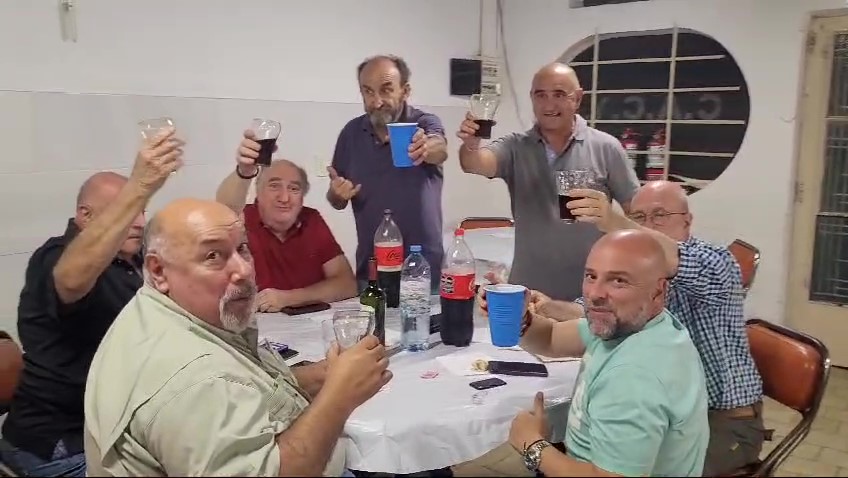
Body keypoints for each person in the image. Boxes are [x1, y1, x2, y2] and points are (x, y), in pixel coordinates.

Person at [83, 198, 392, 477]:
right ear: (159, 271)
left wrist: (320, 376)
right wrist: (339, 396)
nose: (243, 270)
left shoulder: (159, 310)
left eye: (242, 249)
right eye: (213, 256)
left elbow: (242, 387)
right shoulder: (195, 379)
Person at [0, 129, 183, 477]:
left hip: (117, 426)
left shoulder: (133, 260)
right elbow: (70, 279)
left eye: (142, 210)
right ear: (85, 216)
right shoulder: (55, 257)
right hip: (60, 444)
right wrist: (140, 185)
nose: (139, 222)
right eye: (125, 210)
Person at [566, 180, 765, 476]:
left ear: (687, 221)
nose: (648, 225)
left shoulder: (717, 262)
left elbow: (673, 258)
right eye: (639, 217)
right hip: (666, 410)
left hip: (726, 420)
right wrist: (542, 307)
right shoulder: (638, 274)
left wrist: (615, 222)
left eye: (659, 215)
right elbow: (591, 311)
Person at [504, 230, 709, 477]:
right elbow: (551, 338)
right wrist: (520, 319)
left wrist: (532, 444)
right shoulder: (641, 324)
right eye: (591, 276)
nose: (595, 294)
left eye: (618, 281)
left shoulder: (632, 377)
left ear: (658, 291)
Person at [456, 62, 639, 301]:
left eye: (559, 95)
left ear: (578, 98)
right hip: (528, 293)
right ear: (532, 98)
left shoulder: (606, 148)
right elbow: (474, 164)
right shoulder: (516, 146)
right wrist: (471, 145)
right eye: (541, 95)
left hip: (592, 295)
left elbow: (637, 213)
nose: (549, 105)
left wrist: (611, 222)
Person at [326, 54, 448, 292]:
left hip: (423, 273)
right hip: (372, 273)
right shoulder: (351, 133)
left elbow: (440, 148)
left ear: (405, 91)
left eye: (386, 90)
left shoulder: (423, 124)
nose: (377, 101)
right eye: (368, 92)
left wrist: (425, 147)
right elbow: (336, 199)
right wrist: (337, 194)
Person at [216, 150, 357, 311]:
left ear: (302, 198)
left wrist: (290, 298)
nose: (284, 198)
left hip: (308, 322)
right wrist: (244, 169)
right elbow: (222, 209)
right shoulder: (241, 220)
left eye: (294, 189)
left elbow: (347, 285)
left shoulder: (311, 219)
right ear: (258, 192)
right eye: (274, 186)